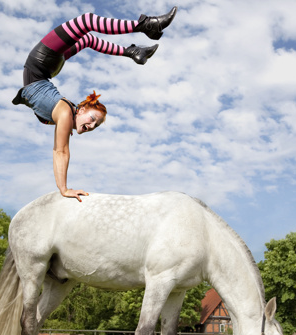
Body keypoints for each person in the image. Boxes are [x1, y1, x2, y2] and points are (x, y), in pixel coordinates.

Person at [12, 7, 178, 201]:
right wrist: (64, 189)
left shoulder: (64, 115)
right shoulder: (65, 112)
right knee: (86, 22)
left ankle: (134, 51)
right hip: (41, 63)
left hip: (47, 67)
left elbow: (59, 141)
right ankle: (146, 25)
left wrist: (67, 123)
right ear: (80, 109)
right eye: (92, 119)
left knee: (88, 39)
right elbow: (61, 151)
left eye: (95, 126)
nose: (91, 126)